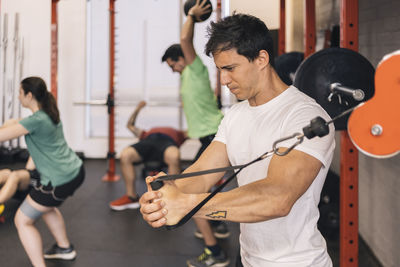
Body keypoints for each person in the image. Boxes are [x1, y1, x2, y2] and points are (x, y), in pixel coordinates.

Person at [140, 13, 335, 267]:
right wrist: (167, 193)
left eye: (230, 68)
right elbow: (202, 173)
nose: (223, 80)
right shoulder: (236, 115)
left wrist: (188, 205)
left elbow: (277, 198)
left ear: (261, 59)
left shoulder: (304, 116)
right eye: (220, 70)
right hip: (247, 258)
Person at [161, 1, 229, 266]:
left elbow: (184, 38)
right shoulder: (188, 78)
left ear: (182, 58)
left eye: (172, 65)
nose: (173, 70)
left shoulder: (195, 68)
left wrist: (190, 15)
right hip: (209, 137)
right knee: (201, 189)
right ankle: (217, 227)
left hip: (215, 137)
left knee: (189, 194)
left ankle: (214, 252)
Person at [0, 77, 85, 267]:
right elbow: (16, 123)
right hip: (74, 171)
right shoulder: (47, 113)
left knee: (22, 220)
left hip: (59, 180)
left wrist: (9, 125)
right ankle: (64, 248)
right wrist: (11, 122)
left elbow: (3, 135)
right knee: (45, 207)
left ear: (29, 95)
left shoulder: (36, 121)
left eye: (20, 93)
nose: (18, 96)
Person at [109, 101, 187, 210]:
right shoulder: (146, 133)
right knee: (125, 154)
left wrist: (188, 109)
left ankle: (173, 197)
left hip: (167, 143)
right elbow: (130, 125)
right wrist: (138, 108)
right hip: (148, 141)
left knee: (174, 155)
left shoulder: (178, 133)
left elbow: (195, 129)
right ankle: (131, 197)